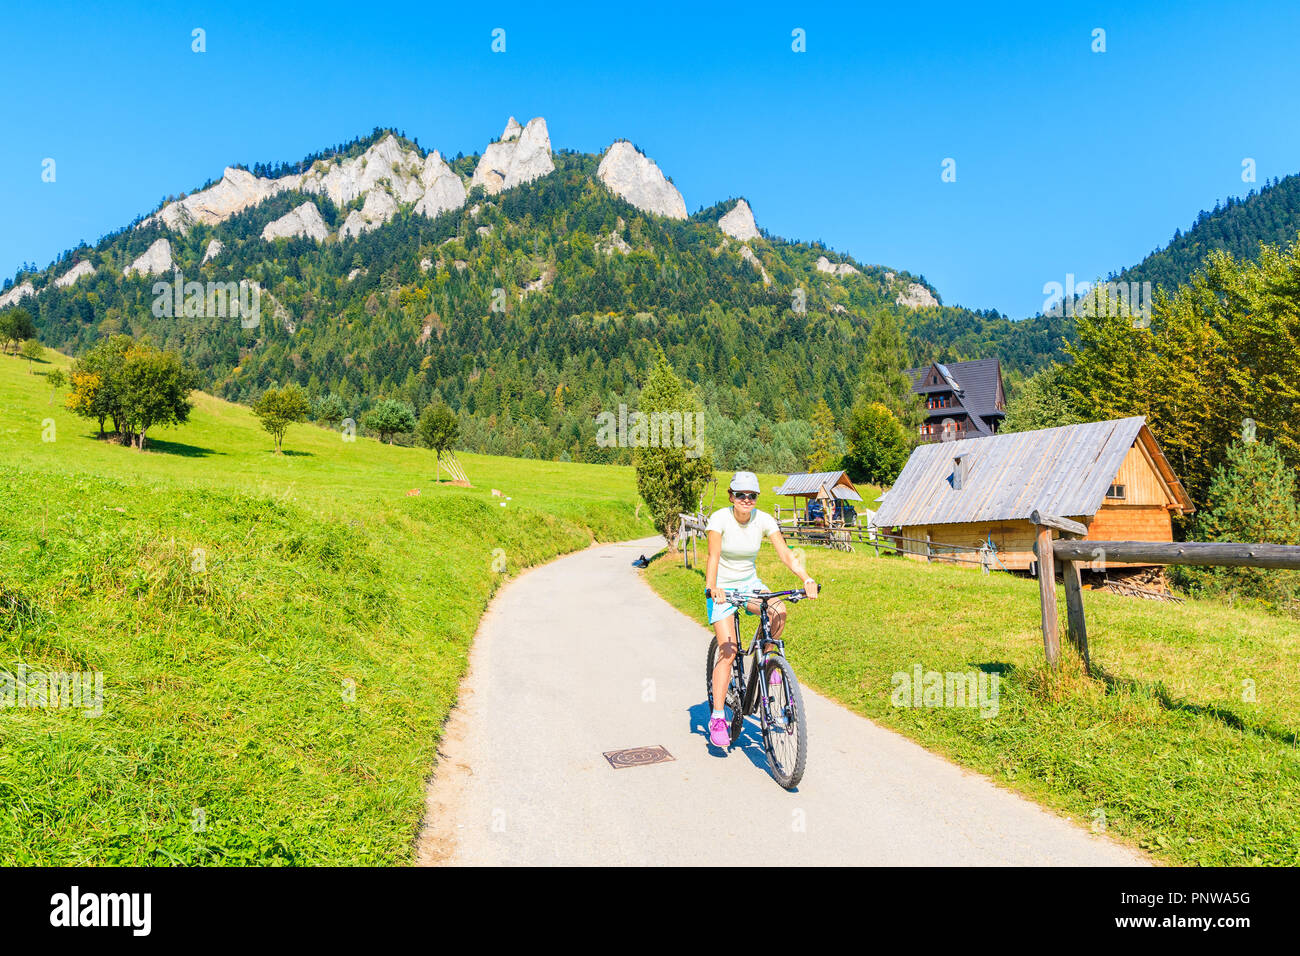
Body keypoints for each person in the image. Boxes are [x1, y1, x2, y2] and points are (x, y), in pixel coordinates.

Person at [703, 471, 818, 748]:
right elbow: (713, 556)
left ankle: (767, 664)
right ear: (731, 496)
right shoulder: (719, 519)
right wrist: (712, 587)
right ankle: (718, 717)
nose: (746, 499)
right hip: (722, 589)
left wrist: (806, 578)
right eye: (740, 494)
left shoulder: (764, 520)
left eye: (751, 495)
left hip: (749, 584)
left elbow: (785, 553)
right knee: (728, 652)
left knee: (778, 610)